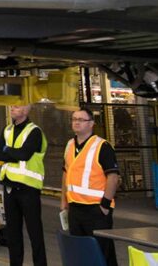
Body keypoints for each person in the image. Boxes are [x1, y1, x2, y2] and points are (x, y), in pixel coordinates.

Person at [60, 104, 120, 266]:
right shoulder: (69, 145)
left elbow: (113, 177)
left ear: (91, 124)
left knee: (102, 253)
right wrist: (64, 201)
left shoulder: (102, 146)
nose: (76, 123)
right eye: (74, 119)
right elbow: (66, 173)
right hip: (75, 208)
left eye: (81, 120)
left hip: (96, 210)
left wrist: (105, 205)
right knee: (80, 252)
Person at [0, 104, 47, 266]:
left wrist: (7, 150)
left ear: (26, 110)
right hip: (10, 188)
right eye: (12, 106)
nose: (12, 109)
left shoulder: (34, 132)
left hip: (28, 188)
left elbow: (24, 154)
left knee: (35, 233)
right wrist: (13, 153)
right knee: (13, 234)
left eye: (17, 106)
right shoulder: (7, 129)